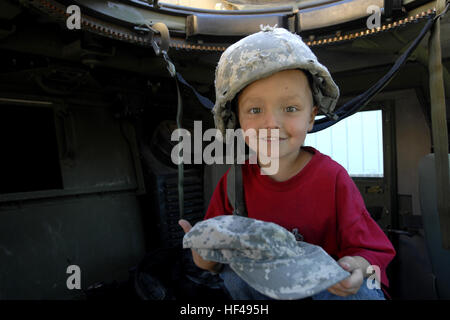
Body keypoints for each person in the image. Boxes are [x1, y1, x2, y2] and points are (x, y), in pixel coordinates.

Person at [179, 26, 396, 300]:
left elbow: (372, 253)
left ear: (310, 116)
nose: (272, 123)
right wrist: (202, 251)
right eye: (255, 110)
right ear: (238, 121)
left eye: (290, 108)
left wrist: (355, 267)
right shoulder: (233, 184)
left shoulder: (333, 179)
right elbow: (211, 263)